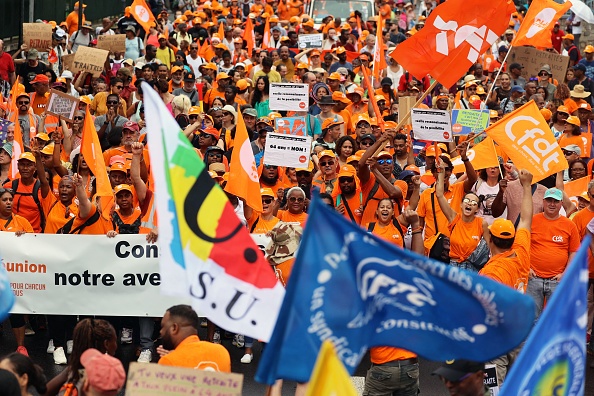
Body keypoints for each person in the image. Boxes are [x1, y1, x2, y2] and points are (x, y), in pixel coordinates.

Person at [479, 169, 533, 384]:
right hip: (520, 330)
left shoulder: (490, 273)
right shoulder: (520, 250)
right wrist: (526, 186)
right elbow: (526, 219)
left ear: (490, 240)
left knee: (492, 385)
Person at [527, 188, 580, 319]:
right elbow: (523, 246)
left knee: (555, 319)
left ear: (561, 203)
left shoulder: (569, 225)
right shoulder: (532, 221)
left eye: (555, 201)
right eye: (549, 201)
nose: (552, 204)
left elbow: (574, 252)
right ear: (543, 202)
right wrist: (526, 268)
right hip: (533, 278)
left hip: (557, 280)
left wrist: (565, 274)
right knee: (531, 318)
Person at [435, 162, 489, 271]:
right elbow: (439, 195)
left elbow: (490, 248)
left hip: (473, 268)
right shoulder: (454, 218)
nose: (469, 204)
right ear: (461, 204)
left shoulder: (482, 223)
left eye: (473, 203)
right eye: (467, 201)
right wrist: (440, 173)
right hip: (454, 267)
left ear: (477, 209)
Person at [45, 318, 117, 396]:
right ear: (106, 344)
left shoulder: (72, 370)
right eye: (115, 341)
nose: (116, 345)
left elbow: (45, 392)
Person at [158, 305, 231, 372]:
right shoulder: (221, 351)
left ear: (174, 328)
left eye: (163, 327)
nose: (161, 331)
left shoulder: (168, 362)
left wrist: (173, 359)